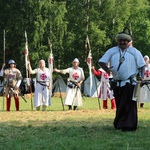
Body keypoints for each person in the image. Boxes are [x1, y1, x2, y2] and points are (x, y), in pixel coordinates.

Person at [99, 30, 145, 131]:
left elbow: (142, 65)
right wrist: (107, 69)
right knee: (120, 104)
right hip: (117, 83)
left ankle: (129, 125)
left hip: (129, 83)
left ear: (128, 41)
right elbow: (101, 61)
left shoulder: (134, 52)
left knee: (129, 105)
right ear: (118, 41)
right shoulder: (112, 51)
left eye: (125, 41)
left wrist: (141, 77)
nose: (122, 42)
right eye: (120, 41)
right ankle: (119, 124)